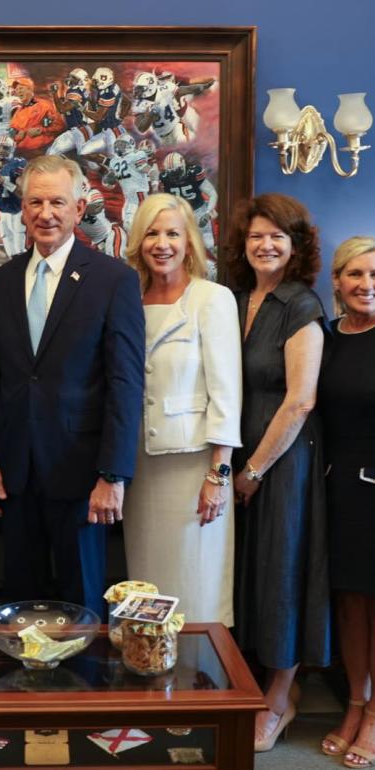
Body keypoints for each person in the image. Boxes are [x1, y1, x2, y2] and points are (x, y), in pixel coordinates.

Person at [0, 155, 145, 619]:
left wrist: (113, 475)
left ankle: (83, 692)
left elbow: (125, 384)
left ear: (79, 206)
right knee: (16, 607)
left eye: (57, 202)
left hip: (83, 476)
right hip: (14, 474)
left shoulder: (114, 281)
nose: (45, 213)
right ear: (22, 209)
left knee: (82, 604)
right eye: (35, 202)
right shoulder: (2, 281)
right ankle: (20, 692)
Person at [227, 193, 331, 752]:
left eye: (277, 237)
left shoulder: (300, 304)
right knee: (246, 571)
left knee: (281, 571)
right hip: (239, 457)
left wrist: (256, 471)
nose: (265, 245)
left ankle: (281, 698)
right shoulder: (237, 299)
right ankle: (244, 684)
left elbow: (301, 401)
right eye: (256, 237)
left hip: (283, 462)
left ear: (295, 247)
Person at [122, 193, 241, 624]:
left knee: (197, 586)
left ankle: (201, 682)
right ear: (138, 241)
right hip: (138, 467)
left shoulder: (212, 299)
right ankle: (153, 676)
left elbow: (226, 392)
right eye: (152, 233)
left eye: (172, 233)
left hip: (194, 470)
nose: (162, 243)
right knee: (147, 589)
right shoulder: (127, 300)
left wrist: (219, 474)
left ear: (189, 242)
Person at [317, 236, 375, 767]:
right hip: (340, 489)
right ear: (336, 281)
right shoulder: (326, 338)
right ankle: (356, 702)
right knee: (351, 604)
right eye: (356, 274)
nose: (366, 285)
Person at [9, 77, 65, 157]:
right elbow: (12, 131)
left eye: (21, 88)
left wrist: (41, 130)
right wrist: (17, 135)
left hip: (42, 152)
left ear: (29, 89)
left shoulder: (44, 105)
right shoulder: (18, 111)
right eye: (17, 90)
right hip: (23, 154)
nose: (18, 91)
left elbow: (60, 126)